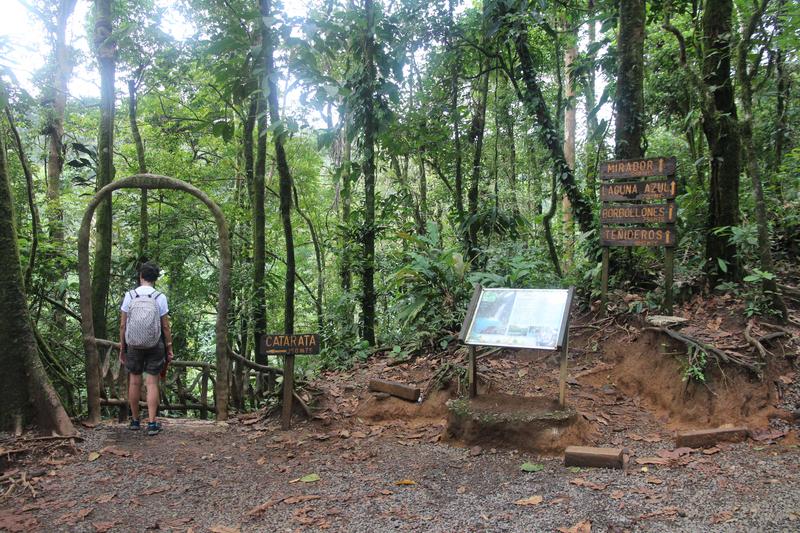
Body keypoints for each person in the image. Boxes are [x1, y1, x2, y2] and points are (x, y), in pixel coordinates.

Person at [119, 261, 173, 436]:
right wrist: (169, 347)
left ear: (141, 276)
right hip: (155, 344)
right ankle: (151, 423)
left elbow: (123, 325)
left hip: (133, 344)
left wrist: (122, 347)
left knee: (134, 381)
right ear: (155, 279)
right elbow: (165, 327)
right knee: (152, 383)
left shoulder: (130, 295)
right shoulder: (159, 297)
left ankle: (134, 421)